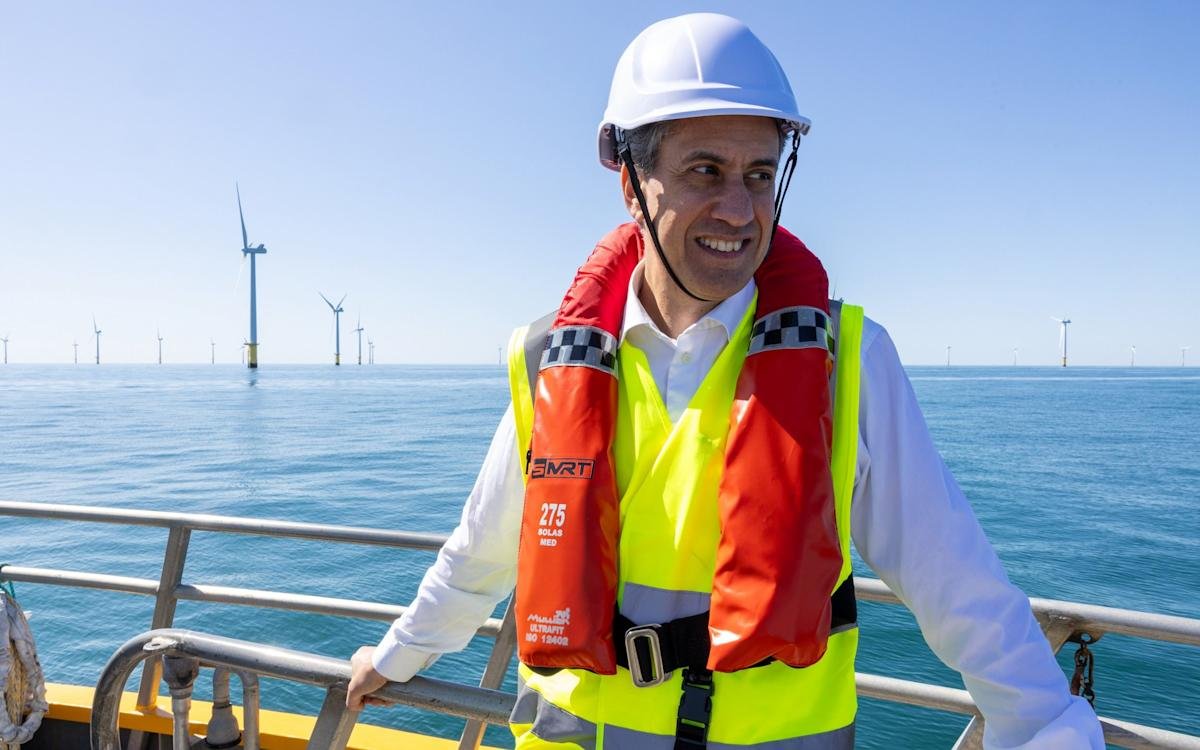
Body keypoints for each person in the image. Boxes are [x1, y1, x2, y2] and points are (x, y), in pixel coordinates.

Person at [348, 13, 1104, 749]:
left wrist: (1043, 722)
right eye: (704, 171)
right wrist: (396, 657)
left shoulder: (849, 358)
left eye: (760, 174)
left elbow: (953, 576)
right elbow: (483, 550)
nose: (739, 210)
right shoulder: (551, 357)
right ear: (631, 187)